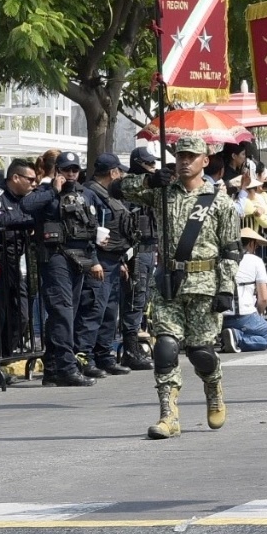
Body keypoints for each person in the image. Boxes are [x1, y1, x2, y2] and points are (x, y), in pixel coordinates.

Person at [119, 135, 240, 438]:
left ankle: (213, 385)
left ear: (205, 160)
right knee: (165, 347)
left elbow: (230, 249)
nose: (184, 161)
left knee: (200, 352)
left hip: (205, 284)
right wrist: (148, 181)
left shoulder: (220, 201)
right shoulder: (162, 193)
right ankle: (168, 415)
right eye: (179, 155)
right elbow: (117, 188)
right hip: (169, 282)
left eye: (190, 156)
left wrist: (226, 288)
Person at [22, 151, 108, 387]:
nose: (71, 174)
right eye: (66, 169)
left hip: (79, 259)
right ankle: (66, 368)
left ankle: (52, 368)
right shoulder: (46, 192)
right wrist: (53, 190)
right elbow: (27, 205)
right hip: (55, 257)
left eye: (75, 169)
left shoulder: (85, 194)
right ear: (57, 171)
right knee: (62, 312)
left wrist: (94, 260)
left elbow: (91, 230)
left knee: (66, 314)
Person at [79, 152, 133, 377]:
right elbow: (85, 230)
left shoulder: (111, 194)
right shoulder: (89, 194)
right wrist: (93, 261)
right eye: (119, 171)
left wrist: (120, 260)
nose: (121, 175)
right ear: (112, 172)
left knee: (110, 312)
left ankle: (104, 355)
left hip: (113, 260)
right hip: (98, 262)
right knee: (94, 310)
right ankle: (85, 357)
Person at [0, 159, 37, 377]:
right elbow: (0, 219)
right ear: (15, 178)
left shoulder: (24, 199)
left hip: (15, 261)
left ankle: (8, 353)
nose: (34, 183)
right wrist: (28, 218)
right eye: (30, 179)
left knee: (22, 312)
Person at [121, 147, 158, 370]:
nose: (153, 168)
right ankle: (130, 350)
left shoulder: (150, 190)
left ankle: (134, 346)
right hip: (135, 252)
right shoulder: (130, 190)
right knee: (135, 300)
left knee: (143, 300)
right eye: (149, 164)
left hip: (149, 250)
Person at [220, 228, 267, 353]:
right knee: (266, 335)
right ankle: (237, 337)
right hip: (244, 315)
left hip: (221, 316)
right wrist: (259, 313)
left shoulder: (222, 259)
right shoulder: (256, 261)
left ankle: (230, 335)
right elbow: (263, 298)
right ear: (251, 243)